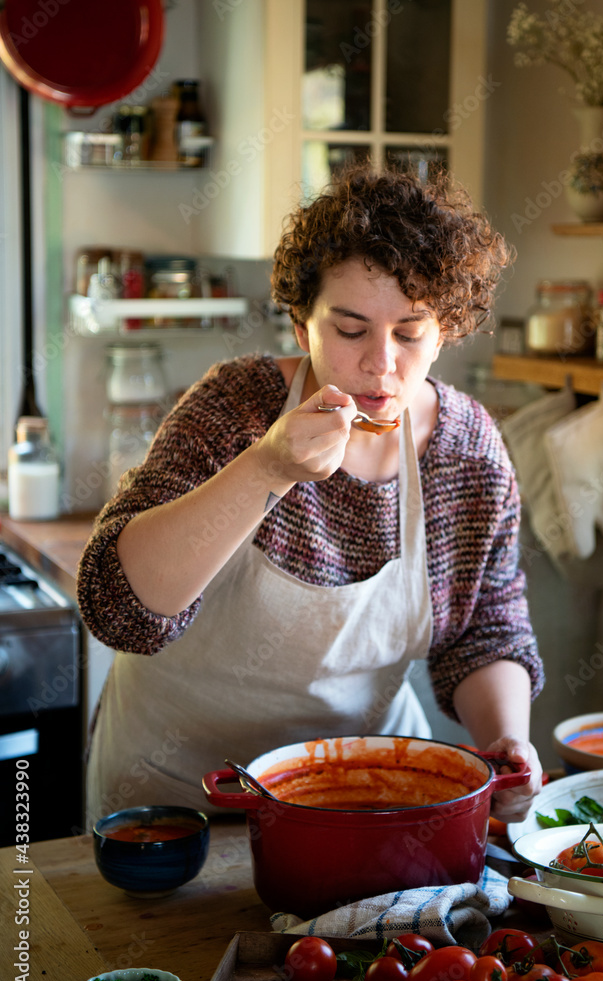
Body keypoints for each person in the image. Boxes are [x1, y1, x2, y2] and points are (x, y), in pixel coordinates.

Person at [77, 163, 545, 827]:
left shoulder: (468, 453)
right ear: (302, 327)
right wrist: (268, 468)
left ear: (447, 330)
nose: (382, 363)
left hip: (356, 799)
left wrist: (507, 739)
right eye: (350, 330)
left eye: (410, 332)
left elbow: (485, 629)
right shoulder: (236, 409)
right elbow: (120, 609)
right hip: (178, 798)